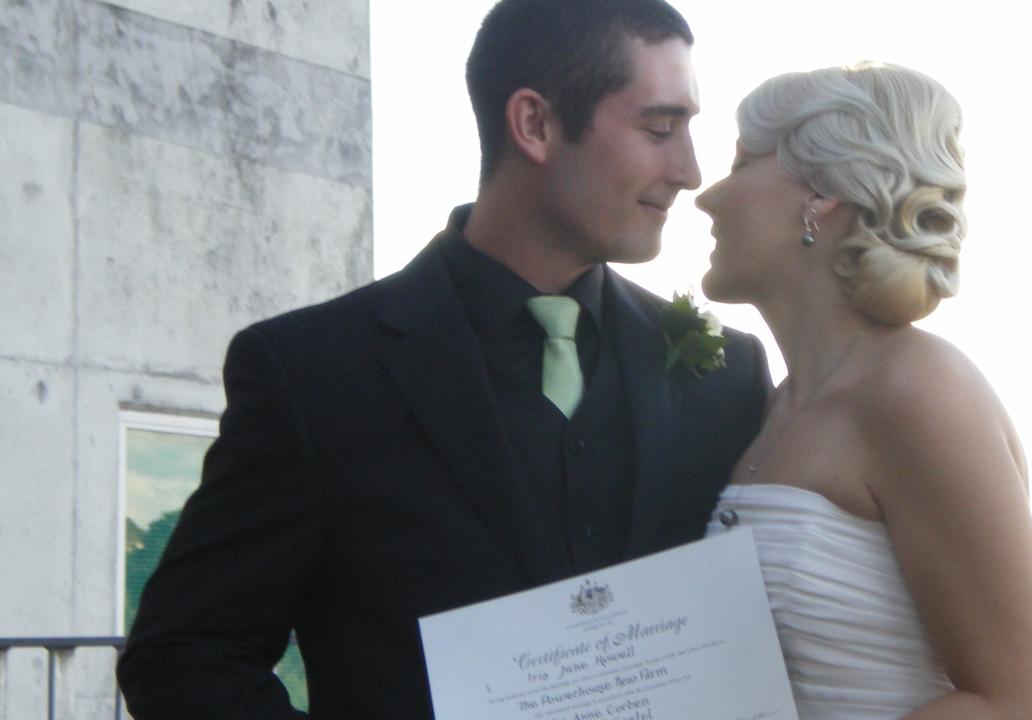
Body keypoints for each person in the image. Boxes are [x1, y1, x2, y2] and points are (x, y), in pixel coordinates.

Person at [115, 1, 771, 717]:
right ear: (535, 125)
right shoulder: (311, 373)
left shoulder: (726, 376)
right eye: (658, 127)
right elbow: (183, 655)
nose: (689, 170)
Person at [699, 63, 1032, 718]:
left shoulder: (924, 392)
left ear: (823, 195)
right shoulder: (774, 407)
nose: (705, 196)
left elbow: (1017, 705)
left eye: (742, 162)